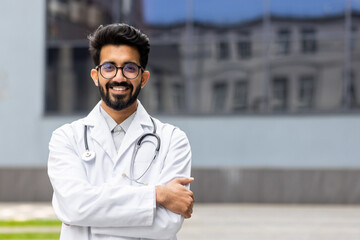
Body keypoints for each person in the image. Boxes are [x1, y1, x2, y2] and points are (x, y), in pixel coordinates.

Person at [47, 23, 194, 240]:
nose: (119, 77)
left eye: (130, 68)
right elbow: (73, 206)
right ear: (96, 75)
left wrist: (85, 222)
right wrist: (158, 195)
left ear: (143, 78)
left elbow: (168, 223)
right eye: (109, 67)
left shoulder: (173, 140)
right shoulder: (66, 138)